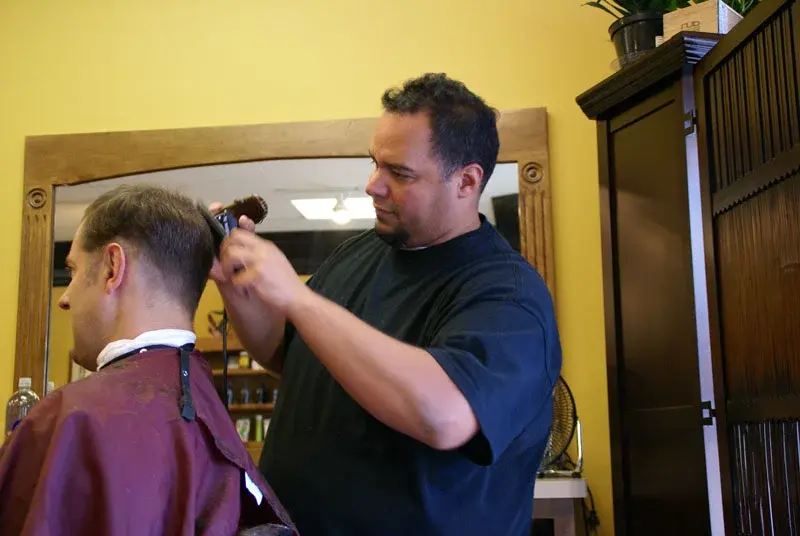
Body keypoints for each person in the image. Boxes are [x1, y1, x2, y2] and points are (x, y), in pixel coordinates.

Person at [211, 73, 562, 536]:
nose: (372, 185)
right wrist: (237, 287)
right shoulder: (357, 252)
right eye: (375, 163)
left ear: (466, 181)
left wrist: (296, 296)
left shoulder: (510, 295)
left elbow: (445, 416)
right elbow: (285, 355)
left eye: (399, 172)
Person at [0, 184, 297, 536]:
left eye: (72, 271)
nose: (65, 298)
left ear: (112, 267)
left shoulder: (72, 420)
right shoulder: (208, 412)